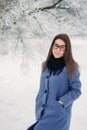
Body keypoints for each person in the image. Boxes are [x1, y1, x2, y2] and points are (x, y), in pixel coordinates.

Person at [27, 33, 81, 130]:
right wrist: (38, 99)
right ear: (52, 46)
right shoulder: (45, 65)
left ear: (66, 50)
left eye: (62, 47)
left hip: (58, 115)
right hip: (42, 111)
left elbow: (76, 91)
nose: (58, 50)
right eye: (56, 46)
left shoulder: (71, 67)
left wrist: (62, 101)